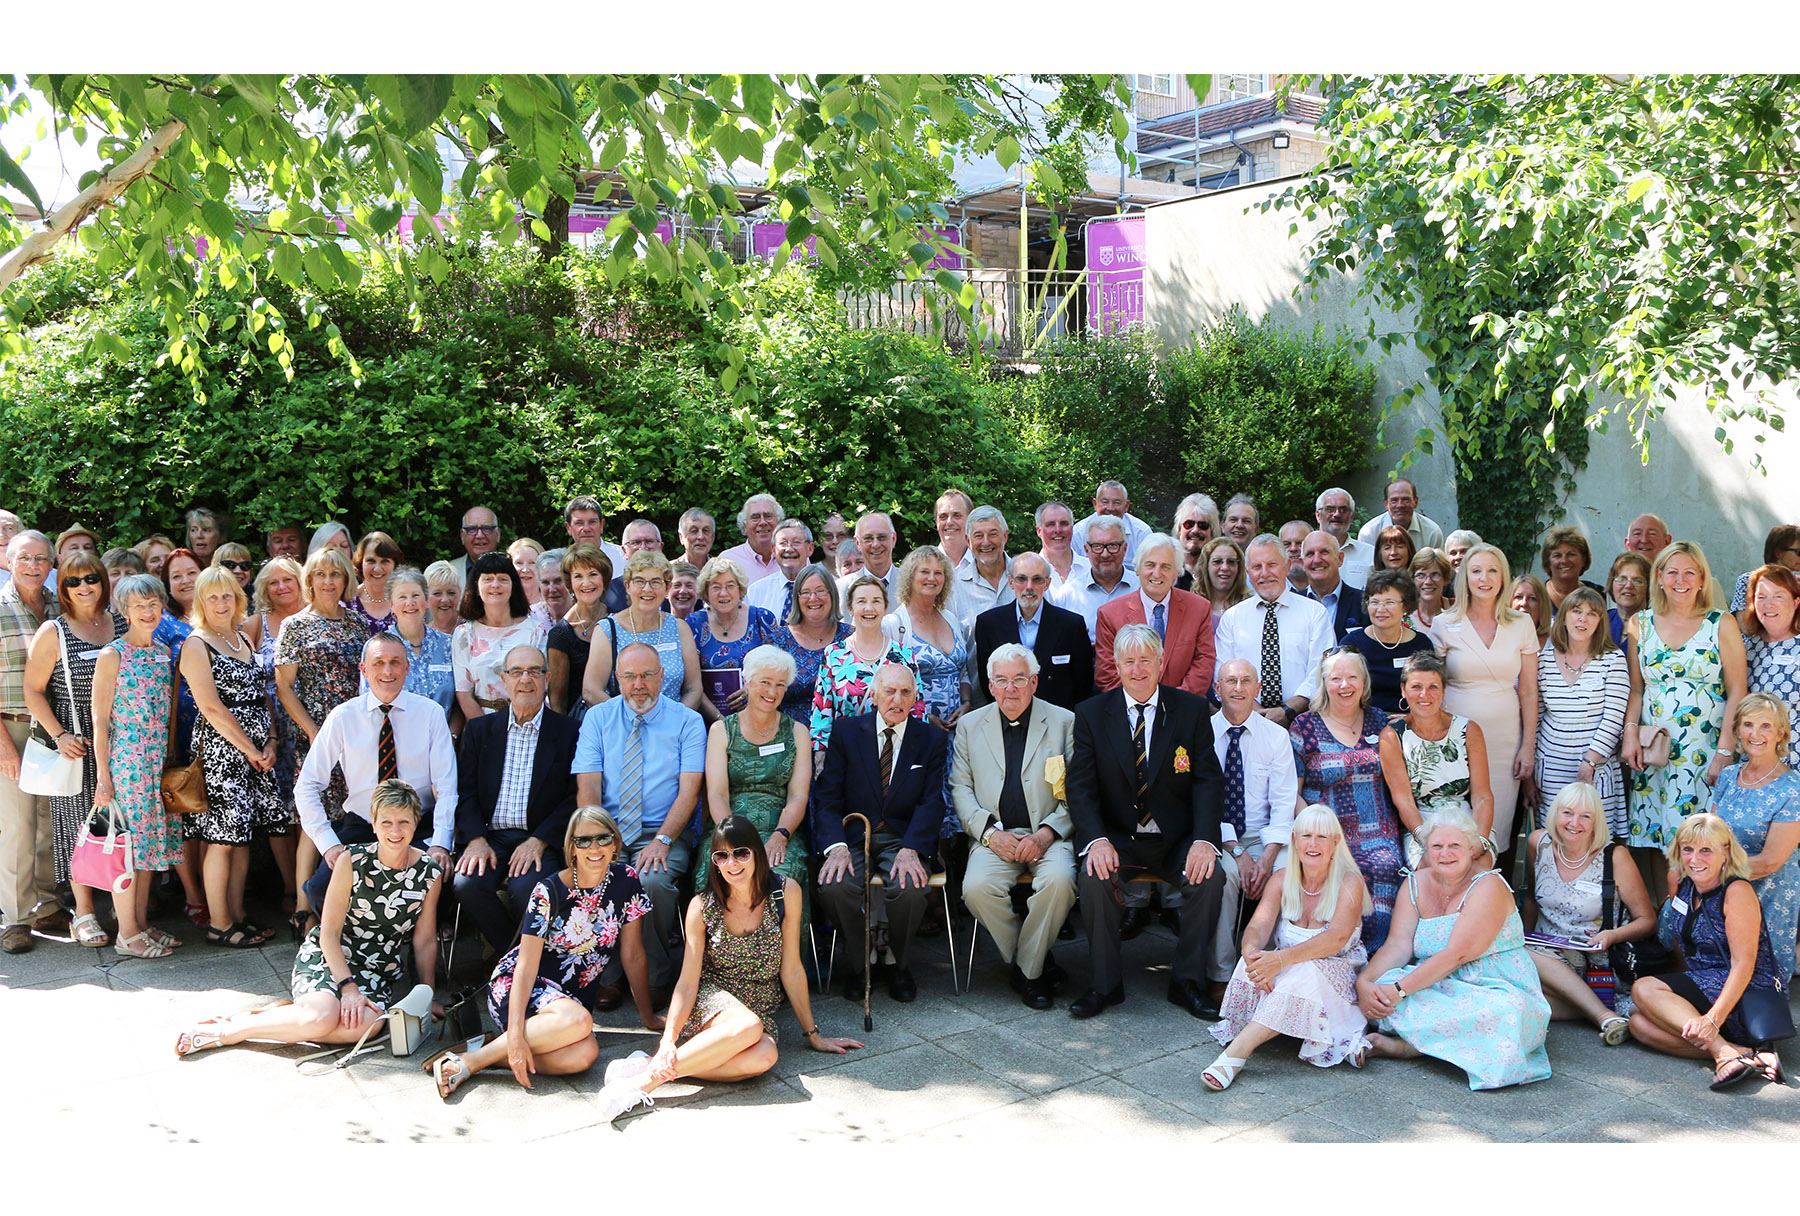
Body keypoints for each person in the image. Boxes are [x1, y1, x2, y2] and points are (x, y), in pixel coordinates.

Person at [591, 816, 862, 1123]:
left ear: (757, 853)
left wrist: (813, 1035)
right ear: (715, 862)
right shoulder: (702, 906)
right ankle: (644, 1084)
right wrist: (669, 1038)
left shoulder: (786, 893)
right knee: (747, 1027)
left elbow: (792, 968)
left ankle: (650, 1065)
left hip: (759, 1003)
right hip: (712, 998)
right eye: (722, 856)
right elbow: (687, 983)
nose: (732, 863)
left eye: (741, 853)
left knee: (765, 1056)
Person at [175, 781, 444, 1058]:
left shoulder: (429, 872)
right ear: (373, 824)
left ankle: (288, 1015)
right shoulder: (351, 860)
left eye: (403, 821)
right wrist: (348, 988)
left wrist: (428, 995)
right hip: (331, 954)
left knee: (365, 1027)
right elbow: (328, 932)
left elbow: (424, 940)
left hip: (375, 970)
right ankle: (232, 1029)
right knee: (321, 1019)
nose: (395, 830)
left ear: (416, 822)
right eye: (386, 822)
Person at [434, 804, 662, 1099]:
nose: (594, 847)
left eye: (603, 838)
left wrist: (648, 1018)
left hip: (569, 1004)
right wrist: (516, 1031)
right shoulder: (548, 891)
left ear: (615, 843)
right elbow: (525, 967)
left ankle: (493, 1052)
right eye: (583, 840)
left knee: (584, 1056)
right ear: (572, 848)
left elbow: (633, 954)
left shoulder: (626, 880)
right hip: (522, 988)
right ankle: (472, 1060)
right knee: (580, 1021)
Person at [1066, 623, 1226, 1020]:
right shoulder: (1090, 714)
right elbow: (1080, 786)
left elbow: (1207, 779)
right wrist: (1096, 840)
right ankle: (1105, 985)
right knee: (1093, 877)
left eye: (1145, 661)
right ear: (1115, 664)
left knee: (1211, 878)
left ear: (1161, 662)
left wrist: (1205, 840)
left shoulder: (1190, 709)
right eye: (1128, 661)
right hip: (1118, 839)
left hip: (1175, 839)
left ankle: (1187, 982)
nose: (1137, 670)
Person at [1357, 809, 1553, 1089]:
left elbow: (1457, 954)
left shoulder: (1489, 885)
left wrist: (1399, 990)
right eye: (1437, 846)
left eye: (1455, 846)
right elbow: (1398, 945)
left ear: (1472, 849)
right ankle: (1440, 1043)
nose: (1445, 853)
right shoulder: (1414, 884)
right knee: (1381, 988)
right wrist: (1366, 983)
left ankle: (1410, 1047)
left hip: (1496, 987)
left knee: (1505, 1011)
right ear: (1426, 850)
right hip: (1437, 982)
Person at [572, 642, 707, 1000]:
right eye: (630, 676)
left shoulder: (688, 722)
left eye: (648, 675)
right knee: (603, 875)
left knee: (652, 882)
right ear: (617, 679)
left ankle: (656, 974)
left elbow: (689, 792)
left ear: (663, 676)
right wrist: (601, 842)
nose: (639, 685)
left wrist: (662, 840)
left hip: (663, 832)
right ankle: (610, 971)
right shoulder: (598, 718)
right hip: (608, 828)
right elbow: (588, 788)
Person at [1203, 805, 1372, 1089]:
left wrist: (1278, 962)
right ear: (1294, 840)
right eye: (1306, 836)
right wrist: (1253, 955)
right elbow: (1257, 927)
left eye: (1322, 837)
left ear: (1336, 843)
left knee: (1304, 970)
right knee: (1252, 962)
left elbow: (1335, 940)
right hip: (1290, 967)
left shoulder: (1349, 882)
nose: (1313, 844)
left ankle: (1236, 1054)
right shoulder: (1282, 878)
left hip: (1335, 976)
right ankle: (1271, 1022)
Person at [813, 662, 949, 1004]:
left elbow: (932, 801)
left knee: (910, 887)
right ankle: (861, 964)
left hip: (903, 836)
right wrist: (837, 847)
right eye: (889, 691)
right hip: (855, 834)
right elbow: (827, 798)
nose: (897, 699)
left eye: (905, 692)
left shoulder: (930, 738)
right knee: (834, 886)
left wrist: (913, 849)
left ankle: (898, 964)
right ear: (873, 694)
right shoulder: (846, 732)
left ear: (916, 696)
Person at [952, 644, 1078, 1009]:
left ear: (1034, 682)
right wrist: (990, 834)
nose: (1011, 689)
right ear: (989, 686)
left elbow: (1077, 792)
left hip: (1049, 835)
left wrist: (1046, 834)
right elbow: (960, 789)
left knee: (1060, 881)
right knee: (975, 888)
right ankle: (1036, 963)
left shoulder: (1063, 722)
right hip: (995, 838)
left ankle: (1027, 973)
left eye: (1019, 679)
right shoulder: (969, 725)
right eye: (1001, 681)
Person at [296, 633, 457, 917]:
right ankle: (351, 944)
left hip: (418, 826)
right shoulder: (343, 717)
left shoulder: (430, 714)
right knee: (319, 889)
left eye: (395, 662)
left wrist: (441, 843)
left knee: (438, 878)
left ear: (407, 668)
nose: (387, 671)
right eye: (378, 662)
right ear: (364, 669)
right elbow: (307, 785)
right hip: (363, 825)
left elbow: (446, 786)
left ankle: (418, 939)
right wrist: (328, 844)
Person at [1628, 814, 1790, 1088]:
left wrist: (1712, 1020)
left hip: (1745, 991)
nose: (1695, 859)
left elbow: (1744, 964)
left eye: (1706, 850)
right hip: (1704, 982)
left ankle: (1721, 1051)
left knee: (1643, 989)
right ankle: (1743, 1053)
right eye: (1688, 849)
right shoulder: (1679, 880)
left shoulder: (1736, 891)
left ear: (1725, 852)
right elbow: (1683, 947)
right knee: (1639, 1026)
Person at [23, 548, 123, 947]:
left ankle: (122, 901)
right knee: (79, 829)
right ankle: (82, 912)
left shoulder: (119, 622)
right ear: (61, 587)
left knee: (121, 825)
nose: (84, 587)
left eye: (91, 579)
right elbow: (33, 691)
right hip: (77, 743)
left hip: (122, 739)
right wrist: (60, 735)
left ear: (103, 581)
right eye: (73, 581)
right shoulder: (54, 630)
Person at [452, 645, 579, 959]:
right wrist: (476, 840)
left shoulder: (568, 731)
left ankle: (513, 964)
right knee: (467, 883)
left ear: (547, 678)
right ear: (503, 680)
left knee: (529, 889)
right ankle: (521, 960)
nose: (526, 679)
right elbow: (464, 791)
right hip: (490, 837)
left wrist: (538, 841)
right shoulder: (480, 730)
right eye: (517, 672)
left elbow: (573, 797)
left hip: (538, 838)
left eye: (535, 671)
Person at [181, 565, 284, 947]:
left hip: (256, 750)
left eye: (227, 595)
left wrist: (270, 741)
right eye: (213, 597)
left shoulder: (242, 637)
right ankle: (219, 923)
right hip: (223, 753)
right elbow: (211, 707)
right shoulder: (197, 643)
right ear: (201, 602)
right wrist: (251, 749)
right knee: (222, 839)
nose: (221, 603)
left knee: (243, 837)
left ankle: (237, 914)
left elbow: (262, 695)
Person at [1623, 540, 1746, 854]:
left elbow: (1737, 691)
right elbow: (1636, 689)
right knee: (1657, 840)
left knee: (1702, 842)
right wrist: (1630, 736)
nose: (1681, 581)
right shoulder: (1640, 625)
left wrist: (1725, 751)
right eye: (1673, 573)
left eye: (1690, 573)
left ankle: (1699, 905)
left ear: (1702, 579)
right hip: (1655, 753)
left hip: (1705, 754)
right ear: (1660, 577)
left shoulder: (1721, 624)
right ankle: (1666, 904)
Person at [1427, 542, 1539, 870]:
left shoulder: (1521, 624)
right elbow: (1433, 687)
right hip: (1455, 741)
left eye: (1492, 570)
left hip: (1506, 741)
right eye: (1476, 570)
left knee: (1498, 830)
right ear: (1464, 576)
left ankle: (1494, 903)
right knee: (1456, 825)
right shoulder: (1444, 623)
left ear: (1504, 577)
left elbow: (1530, 692)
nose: (1484, 578)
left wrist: (1527, 747)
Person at [273, 546, 367, 930]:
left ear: (345, 579)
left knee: (352, 815)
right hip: (315, 737)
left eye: (336, 574)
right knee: (314, 820)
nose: (328, 581)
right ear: (309, 580)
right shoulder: (294, 625)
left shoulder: (359, 625)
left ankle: (347, 903)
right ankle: (303, 907)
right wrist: (313, 731)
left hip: (357, 738)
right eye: (320, 575)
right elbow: (283, 687)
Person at [90, 574, 183, 956]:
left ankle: (141, 924)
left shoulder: (163, 650)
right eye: (138, 605)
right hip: (128, 760)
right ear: (124, 611)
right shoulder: (113, 654)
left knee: (149, 849)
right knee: (129, 849)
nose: (147, 612)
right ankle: (126, 933)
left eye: (153, 604)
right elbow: (100, 720)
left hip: (157, 759)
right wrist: (103, 777)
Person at [1521, 782, 1654, 1043]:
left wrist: (1612, 936)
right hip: (1547, 954)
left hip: (1595, 960)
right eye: (1567, 813)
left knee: (1522, 975)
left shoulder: (1614, 856)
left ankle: (1602, 1014)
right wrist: (1522, 935)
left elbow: (1648, 920)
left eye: (1586, 816)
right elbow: (1530, 900)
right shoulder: (1539, 843)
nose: (1574, 823)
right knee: (1518, 991)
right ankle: (1607, 1013)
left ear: (1597, 822)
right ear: (1555, 813)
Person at [1292, 647, 1402, 949]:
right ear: (1324, 683)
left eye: (1352, 677)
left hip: (1377, 830)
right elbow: (1293, 792)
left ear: (1364, 682)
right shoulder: (1304, 726)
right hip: (1326, 833)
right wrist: (1312, 833)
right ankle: (1331, 952)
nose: (1344, 685)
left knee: (1387, 866)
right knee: (1331, 870)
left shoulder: (1380, 722)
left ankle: (1373, 955)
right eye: (1336, 678)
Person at [1207, 659, 1300, 1005]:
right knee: (1225, 877)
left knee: (1289, 873)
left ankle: (1278, 973)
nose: (1238, 688)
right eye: (1230, 681)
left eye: (1246, 681)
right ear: (1217, 689)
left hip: (1267, 836)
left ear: (1257, 689)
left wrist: (1269, 856)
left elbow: (1283, 801)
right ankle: (1220, 974)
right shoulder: (1202, 734)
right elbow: (1205, 803)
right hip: (1221, 836)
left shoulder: (1276, 737)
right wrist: (1236, 851)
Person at [699, 646, 811, 909]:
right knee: (720, 871)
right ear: (747, 683)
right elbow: (716, 794)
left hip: (780, 828)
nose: (772, 692)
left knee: (783, 875)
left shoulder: (798, 733)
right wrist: (731, 840)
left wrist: (780, 835)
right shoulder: (721, 731)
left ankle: (785, 950)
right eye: (765, 682)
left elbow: (798, 796)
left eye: (780, 685)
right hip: (728, 826)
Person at [1709, 693, 1800, 980]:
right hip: (1719, 889)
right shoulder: (1727, 776)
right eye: (1748, 725)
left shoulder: (1792, 787)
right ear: (1737, 730)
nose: (1755, 734)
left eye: (1765, 726)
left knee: (1752, 987)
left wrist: (1711, 875)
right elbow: (1708, 835)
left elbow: (1771, 861)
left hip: (1766, 897)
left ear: (1780, 733)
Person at [0, 531, 61, 953]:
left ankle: (49, 906)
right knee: (17, 828)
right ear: (8, 560)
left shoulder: (59, 605)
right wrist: (3, 744)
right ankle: (16, 918)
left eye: (41, 558)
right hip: (13, 726)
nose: (33, 565)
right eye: (24, 558)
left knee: (48, 822)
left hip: (55, 726)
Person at [1381, 652, 1494, 867]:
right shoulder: (1392, 737)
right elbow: (1403, 800)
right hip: (1421, 826)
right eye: (1416, 687)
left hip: (1467, 822)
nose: (1425, 694)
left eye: (1433, 687)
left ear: (1444, 691)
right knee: (1429, 868)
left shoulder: (1469, 730)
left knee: (1479, 868)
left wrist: (1479, 840)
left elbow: (1483, 797)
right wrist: (1429, 841)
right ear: (1403, 690)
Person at [1533, 587, 1631, 837]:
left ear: (1600, 622)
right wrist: (1531, 772)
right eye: (1576, 612)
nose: (1582, 619)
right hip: (1551, 769)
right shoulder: (1543, 659)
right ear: (1563, 616)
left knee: (1593, 841)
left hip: (1595, 771)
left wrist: (1590, 761)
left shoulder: (1613, 659)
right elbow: (1537, 717)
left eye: (1592, 614)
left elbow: (1614, 718)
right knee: (1553, 839)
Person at [1212, 535, 1335, 726]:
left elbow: (1322, 672)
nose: (1265, 573)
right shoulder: (1232, 618)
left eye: (1272, 564)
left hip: (1305, 721)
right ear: (1247, 572)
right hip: (1246, 720)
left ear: (1287, 567)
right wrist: (1258, 715)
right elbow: (1223, 673)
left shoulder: (1315, 613)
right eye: (1257, 567)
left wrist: (1288, 710)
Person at [809, 574, 923, 755]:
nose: (869, 608)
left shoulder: (904, 655)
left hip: (894, 755)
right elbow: (822, 713)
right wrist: (820, 756)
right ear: (850, 608)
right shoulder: (834, 654)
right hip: (846, 755)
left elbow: (918, 709)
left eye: (876, 601)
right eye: (861, 601)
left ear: (885, 608)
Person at [1094, 532, 1214, 698]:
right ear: (1137, 568)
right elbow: (1107, 674)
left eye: (1166, 566)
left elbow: (1204, 663)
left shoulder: (1199, 608)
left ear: (1176, 573)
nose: (1157, 574)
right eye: (1150, 565)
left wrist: (1174, 705)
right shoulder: (1109, 615)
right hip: (1132, 715)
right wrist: (1145, 704)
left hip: (1183, 710)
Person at [582, 550, 701, 712]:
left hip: (671, 730)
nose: (647, 589)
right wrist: (634, 719)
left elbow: (693, 689)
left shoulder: (679, 628)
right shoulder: (607, 630)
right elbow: (591, 691)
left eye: (656, 582)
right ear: (627, 586)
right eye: (639, 581)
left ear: (667, 588)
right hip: (624, 728)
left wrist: (674, 721)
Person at [973, 552, 1093, 712]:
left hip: (1057, 722)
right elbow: (986, 680)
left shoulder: (1071, 625)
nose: (1029, 587)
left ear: (1047, 583)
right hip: (1007, 719)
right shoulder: (988, 624)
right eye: (1021, 579)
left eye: (1037, 579)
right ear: (1011, 582)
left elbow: (1083, 684)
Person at [884, 546, 973, 737]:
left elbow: (963, 672)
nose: (932, 578)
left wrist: (966, 703)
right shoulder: (894, 624)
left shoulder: (950, 618)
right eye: (924, 571)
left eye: (938, 573)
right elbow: (887, 686)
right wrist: (924, 716)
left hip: (957, 732)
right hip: (916, 731)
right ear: (910, 577)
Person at [454, 551, 549, 722]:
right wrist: (486, 732)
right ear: (477, 586)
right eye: (488, 579)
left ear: (513, 586)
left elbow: (541, 685)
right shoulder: (464, 634)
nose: (495, 585)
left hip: (528, 721)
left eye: (503, 579)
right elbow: (464, 694)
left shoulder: (535, 630)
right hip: (480, 725)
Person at [688, 556, 779, 724]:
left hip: (760, 717)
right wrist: (720, 721)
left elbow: (780, 670)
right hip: (709, 722)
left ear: (740, 589)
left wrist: (753, 690)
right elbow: (691, 682)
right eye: (716, 587)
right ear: (706, 592)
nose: (724, 593)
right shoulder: (694, 624)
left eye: (730, 586)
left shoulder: (762, 619)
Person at [1339, 570, 1435, 716]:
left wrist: (1410, 719)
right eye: (1374, 602)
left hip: (1412, 722)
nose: (1380, 609)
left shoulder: (1421, 644)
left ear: (1405, 606)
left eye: (1389, 602)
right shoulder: (1352, 644)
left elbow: (1430, 691)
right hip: (1362, 722)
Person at [770, 563, 851, 726]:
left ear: (832, 594)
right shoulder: (778, 640)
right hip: (789, 738)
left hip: (841, 739)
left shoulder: (851, 638)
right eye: (806, 592)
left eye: (820, 590)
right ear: (797, 598)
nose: (813, 598)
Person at [1740, 564, 1800, 769]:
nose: (1768, 604)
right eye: (1761, 597)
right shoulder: (1746, 647)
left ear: (1796, 602)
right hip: (1753, 765)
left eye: (1778, 596)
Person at [381, 567, 456, 723]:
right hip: (396, 741)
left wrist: (452, 737)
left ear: (426, 600)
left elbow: (460, 700)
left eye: (416, 595)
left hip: (443, 741)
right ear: (391, 605)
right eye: (402, 597)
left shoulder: (448, 645)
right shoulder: (379, 648)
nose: (410, 603)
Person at [1049, 516, 1138, 644]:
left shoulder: (1142, 588)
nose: (1105, 554)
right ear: (1086, 550)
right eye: (1097, 546)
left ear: (1125, 548)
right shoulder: (1068, 595)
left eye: (1113, 545)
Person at [547, 543, 611, 718]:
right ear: (570, 583)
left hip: (621, 720)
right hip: (580, 726)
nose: (586, 583)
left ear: (603, 578)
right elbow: (557, 701)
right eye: (578, 576)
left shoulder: (618, 619)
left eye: (593, 574)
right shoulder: (561, 635)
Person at [949, 505, 1015, 630]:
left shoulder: (1026, 579)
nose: (986, 542)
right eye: (978, 536)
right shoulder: (955, 589)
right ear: (968, 541)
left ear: (1005, 536)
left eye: (993, 534)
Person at [1070, 480, 1152, 570]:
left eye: (1117, 503)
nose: (1110, 508)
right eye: (1105, 502)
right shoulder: (1078, 533)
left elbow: (1150, 569)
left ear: (1126, 506)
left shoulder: (1141, 533)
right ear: (1095, 504)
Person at [744, 519, 816, 621]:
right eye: (783, 543)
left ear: (810, 548)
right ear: (773, 550)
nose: (789, 549)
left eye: (796, 543)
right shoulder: (756, 591)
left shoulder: (825, 588)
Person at [1299, 530, 1364, 642]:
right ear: (1302, 563)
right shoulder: (1292, 604)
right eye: (1310, 554)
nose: (1317, 560)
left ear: (1340, 559)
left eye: (1324, 552)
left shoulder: (1364, 602)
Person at [1355, 478, 1445, 554]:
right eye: (1394, 500)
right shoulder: (1369, 533)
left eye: (1406, 500)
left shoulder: (1432, 532)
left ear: (1416, 502)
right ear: (1386, 503)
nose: (1400, 505)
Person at [1729, 525, 1800, 613]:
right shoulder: (1748, 581)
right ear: (1778, 553)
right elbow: (1743, 624)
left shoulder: (1796, 583)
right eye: (1799, 552)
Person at [717, 494, 783, 585]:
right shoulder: (727, 560)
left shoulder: (795, 557)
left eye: (768, 516)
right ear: (745, 526)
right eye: (755, 518)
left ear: (779, 522)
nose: (762, 522)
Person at [344, 531, 401, 634]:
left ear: (395, 565)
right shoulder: (345, 603)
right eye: (371, 561)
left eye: (385, 561)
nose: (377, 569)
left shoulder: (406, 602)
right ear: (360, 563)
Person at [1314, 488, 1374, 585]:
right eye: (1330, 509)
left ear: (1352, 517)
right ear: (1318, 515)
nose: (1337, 514)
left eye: (1343, 509)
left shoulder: (1370, 554)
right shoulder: (1304, 553)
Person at [562, 495, 627, 583]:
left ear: (601, 525)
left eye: (592, 522)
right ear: (568, 528)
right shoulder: (560, 563)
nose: (586, 529)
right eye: (579, 523)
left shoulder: (623, 558)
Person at [1539, 525, 1602, 612]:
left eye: (1571, 554)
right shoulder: (1537, 596)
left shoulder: (1599, 595)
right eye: (1557, 555)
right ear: (1548, 562)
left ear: (1583, 559)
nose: (1564, 561)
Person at [1034, 501, 1091, 593]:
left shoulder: (1091, 569)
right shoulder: (1030, 572)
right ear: (1039, 531)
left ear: (1072, 528)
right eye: (1051, 524)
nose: (1058, 530)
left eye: (1064, 523)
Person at [844, 511, 899, 604]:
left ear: (893, 539)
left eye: (882, 537)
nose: (876, 544)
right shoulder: (841, 589)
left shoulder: (912, 584)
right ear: (857, 543)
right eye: (868, 538)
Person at [1171, 493, 1219, 593]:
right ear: (1179, 529)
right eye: (1189, 524)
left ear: (1212, 532)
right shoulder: (1168, 570)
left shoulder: (1220, 572)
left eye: (1203, 525)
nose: (1195, 530)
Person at [1605, 550, 1650, 646]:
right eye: (1622, 579)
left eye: (1637, 580)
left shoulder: (1657, 626)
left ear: (1649, 587)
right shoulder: (1602, 620)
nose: (1628, 585)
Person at [449, 505, 502, 586]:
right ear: (462, 536)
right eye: (472, 529)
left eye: (487, 528)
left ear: (497, 534)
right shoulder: (449, 571)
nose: (479, 535)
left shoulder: (513, 570)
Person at [1198, 537, 1249, 616]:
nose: (1225, 567)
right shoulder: (1191, 605)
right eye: (1217, 561)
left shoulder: (1250, 606)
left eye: (1231, 562)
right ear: (1205, 566)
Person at [1409, 547, 1453, 630]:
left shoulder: (1458, 609)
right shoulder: (1402, 617)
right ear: (1413, 579)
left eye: (1435, 575)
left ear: (1445, 579)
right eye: (1420, 575)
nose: (1428, 582)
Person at [934, 488, 973, 569]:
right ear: (936, 522)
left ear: (970, 520)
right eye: (943, 517)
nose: (949, 522)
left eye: (957, 515)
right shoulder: (923, 566)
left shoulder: (984, 564)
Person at [424, 560, 463, 636]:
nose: (445, 600)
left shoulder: (471, 629)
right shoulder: (423, 634)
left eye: (451, 593)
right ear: (425, 596)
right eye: (437, 593)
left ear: (460, 593)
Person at [1510, 574, 1551, 646]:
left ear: (1542, 606)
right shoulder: (1497, 638)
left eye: (1532, 598)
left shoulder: (1556, 641)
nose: (1524, 603)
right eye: (1518, 597)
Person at [508, 537, 545, 609]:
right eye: (519, 563)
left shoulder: (553, 603)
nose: (525, 569)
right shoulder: (503, 604)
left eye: (532, 563)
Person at [676, 507, 715, 572]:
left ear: (713, 537)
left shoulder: (721, 571)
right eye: (694, 531)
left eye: (706, 531)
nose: (700, 537)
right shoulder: (670, 571)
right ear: (681, 537)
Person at [1277, 520, 1311, 594]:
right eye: (1287, 544)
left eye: (1300, 543)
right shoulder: (1271, 589)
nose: (1293, 549)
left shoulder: (1327, 585)